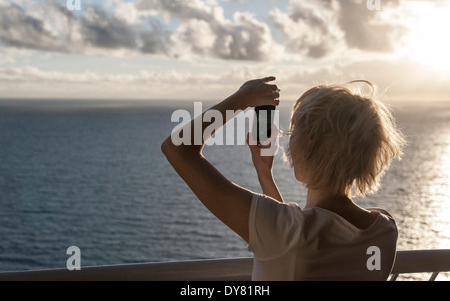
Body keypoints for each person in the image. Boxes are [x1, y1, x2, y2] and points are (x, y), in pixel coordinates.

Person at [161, 77, 405, 280]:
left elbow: (178, 149)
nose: (288, 140)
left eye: (293, 131)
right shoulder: (384, 230)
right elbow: (297, 236)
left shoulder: (287, 233)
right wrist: (265, 175)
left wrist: (242, 98)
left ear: (307, 146)